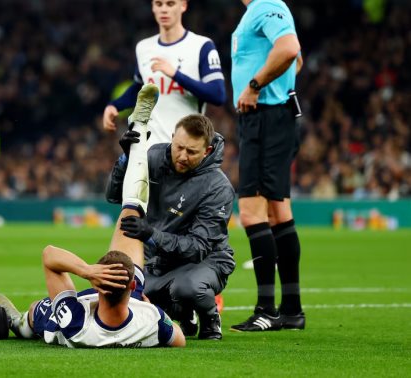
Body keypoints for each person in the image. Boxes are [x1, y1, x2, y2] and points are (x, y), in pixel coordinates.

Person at [0, 84, 186, 348]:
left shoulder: (75, 324)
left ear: (99, 285)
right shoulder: (149, 320)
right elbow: (179, 339)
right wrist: (152, 309)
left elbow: (49, 254)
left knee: (32, 318)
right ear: (134, 286)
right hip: (123, 306)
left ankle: (16, 322)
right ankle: (139, 130)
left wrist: (87, 271)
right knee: (132, 214)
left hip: (81, 310)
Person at [105, 112, 235, 340]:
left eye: (192, 152)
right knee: (130, 296)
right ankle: (185, 315)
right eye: (179, 147)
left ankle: (210, 317)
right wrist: (127, 158)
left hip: (207, 260)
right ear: (173, 137)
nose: (183, 156)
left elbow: (198, 247)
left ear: (208, 151)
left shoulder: (218, 187)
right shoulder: (153, 156)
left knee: (187, 288)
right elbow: (114, 196)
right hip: (162, 261)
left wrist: (151, 234)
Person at [230, 0, 305, 332]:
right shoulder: (264, 9)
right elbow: (296, 61)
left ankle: (266, 310)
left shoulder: (267, 5)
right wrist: (276, 83)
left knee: (250, 210)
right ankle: (291, 310)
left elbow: (290, 49)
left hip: (265, 117)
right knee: (277, 212)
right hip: (274, 116)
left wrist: (256, 85)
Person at [102, 0, 226, 145]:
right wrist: (114, 106)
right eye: (159, 4)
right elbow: (140, 88)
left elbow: (218, 94)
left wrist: (175, 74)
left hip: (185, 148)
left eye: (170, 4)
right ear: (153, 8)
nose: (164, 9)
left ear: (183, 6)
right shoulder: (144, 48)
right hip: (149, 147)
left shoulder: (201, 46)